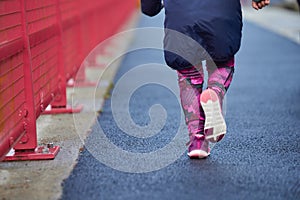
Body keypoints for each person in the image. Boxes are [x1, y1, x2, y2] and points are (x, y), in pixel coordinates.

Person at [141, 0, 270, 159]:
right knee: (222, 62)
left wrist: (151, 7)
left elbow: (149, 8)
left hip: (181, 18)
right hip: (222, 13)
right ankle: (214, 92)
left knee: (189, 74)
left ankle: (197, 141)